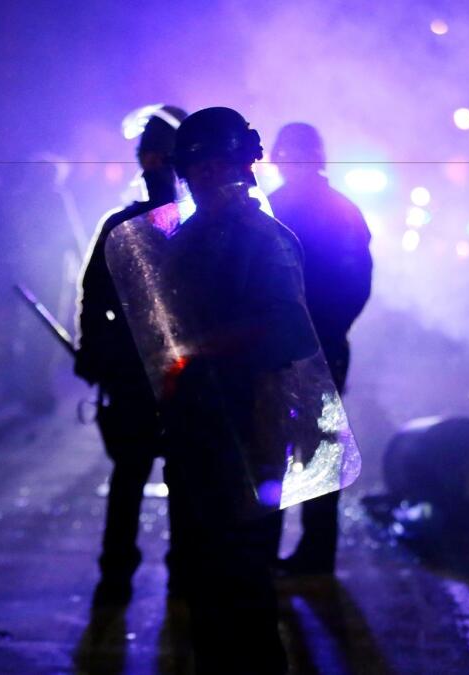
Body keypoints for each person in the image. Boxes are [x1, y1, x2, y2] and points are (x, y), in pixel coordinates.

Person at [157, 106, 315, 674]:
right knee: (205, 584)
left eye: (216, 165)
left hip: (253, 424)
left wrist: (209, 347)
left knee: (246, 586)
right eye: (195, 168)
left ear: (243, 165)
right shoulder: (189, 238)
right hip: (197, 426)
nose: (205, 177)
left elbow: (287, 327)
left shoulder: (266, 240)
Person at [74, 104, 188, 607]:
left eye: (163, 156)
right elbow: (94, 299)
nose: (156, 166)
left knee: (170, 480)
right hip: (140, 377)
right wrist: (95, 352)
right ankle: (126, 573)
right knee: (138, 479)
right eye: (150, 156)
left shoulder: (199, 225)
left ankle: (147, 573)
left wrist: (95, 352)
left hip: (183, 378)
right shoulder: (130, 226)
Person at [267, 122, 372, 575]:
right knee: (313, 449)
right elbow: (358, 284)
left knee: (278, 448)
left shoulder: (273, 208)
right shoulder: (340, 209)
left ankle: (276, 550)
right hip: (316, 345)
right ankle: (312, 551)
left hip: (288, 346)